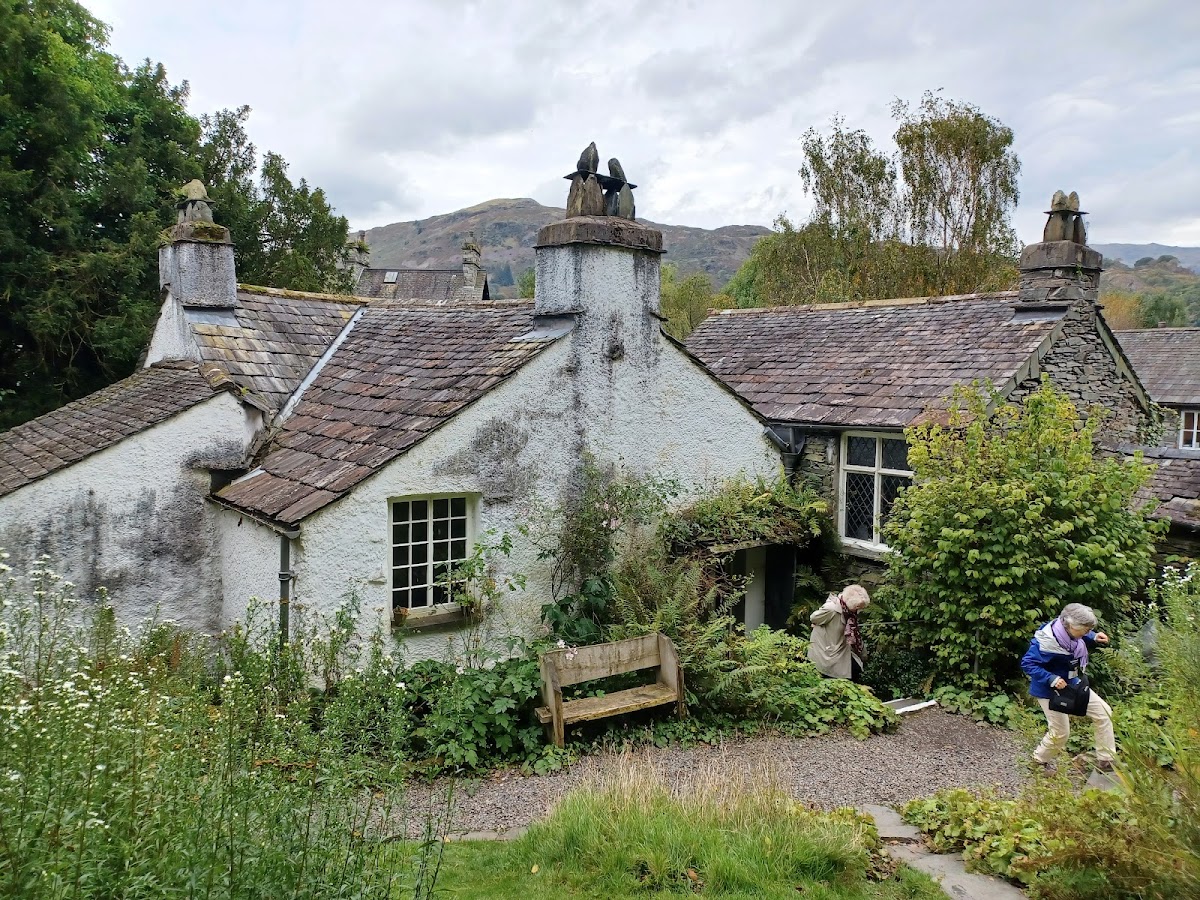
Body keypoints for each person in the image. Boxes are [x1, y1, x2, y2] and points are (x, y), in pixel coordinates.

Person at [1021, 602, 1115, 772]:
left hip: (1072, 683)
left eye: (1089, 629)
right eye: (1086, 629)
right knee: (1061, 733)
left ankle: (1106, 761)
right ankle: (1038, 762)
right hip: (1049, 690)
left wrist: (1093, 637)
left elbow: (1078, 636)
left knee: (1104, 713)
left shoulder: (1070, 632)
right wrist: (1051, 678)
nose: (1087, 632)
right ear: (1071, 625)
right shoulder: (1044, 641)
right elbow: (1028, 664)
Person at [808, 584, 870, 681]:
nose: (859, 610)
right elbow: (814, 618)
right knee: (845, 676)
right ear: (852, 603)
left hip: (840, 648)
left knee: (856, 670)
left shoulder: (849, 611)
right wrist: (817, 624)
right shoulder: (831, 608)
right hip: (827, 650)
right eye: (858, 607)